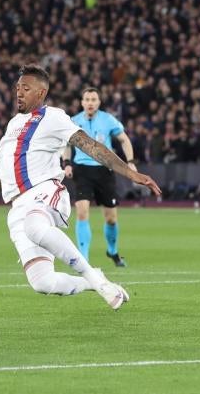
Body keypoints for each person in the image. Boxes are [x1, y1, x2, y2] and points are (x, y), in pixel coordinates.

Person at [0, 65, 161, 310]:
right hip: (16, 208)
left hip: (44, 193)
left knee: (34, 226)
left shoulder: (53, 117)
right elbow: (5, 171)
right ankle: (95, 281)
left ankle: (95, 279)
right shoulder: (14, 123)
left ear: (41, 93)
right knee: (42, 282)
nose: (19, 93)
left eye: (26, 88)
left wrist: (130, 172)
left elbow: (90, 145)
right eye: (17, 88)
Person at [62, 87, 136, 266]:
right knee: (82, 213)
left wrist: (131, 161)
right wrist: (66, 163)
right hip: (82, 170)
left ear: (98, 103)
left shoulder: (108, 120)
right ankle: (84, 259)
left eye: (93, 99)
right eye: (87, 99)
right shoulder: (74, 121)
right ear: (82, 102)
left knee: (111, 218)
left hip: (104, 170)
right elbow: (66, 144)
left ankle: (112, 251)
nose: (90, 103)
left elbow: (124, 139)